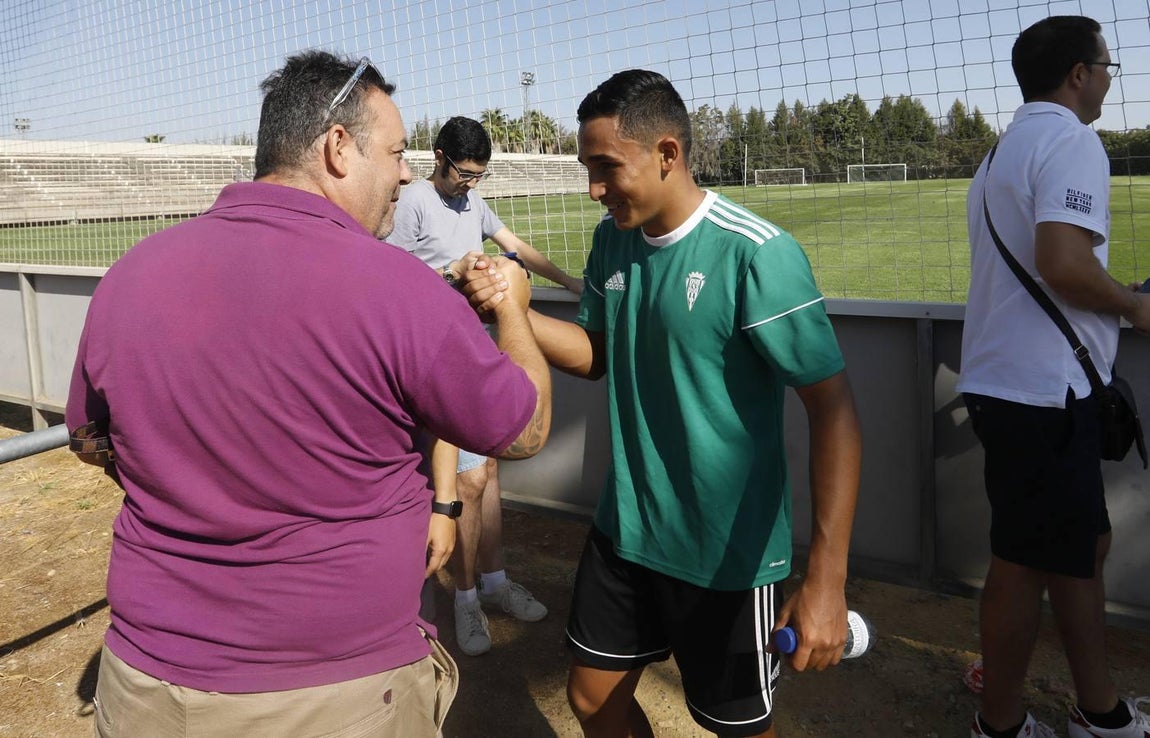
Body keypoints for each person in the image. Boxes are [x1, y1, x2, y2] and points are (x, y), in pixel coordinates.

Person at [65, 50, 551, 738]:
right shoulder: (398, 288)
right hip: (335, 692)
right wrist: (515, 310)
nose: (406, 172)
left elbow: (90, 440)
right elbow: (524, 430)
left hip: (147, 688)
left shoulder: (131, 275)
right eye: (396, 151)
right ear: (338, 148)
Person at [463, 69, 862, 738]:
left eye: (605, 168)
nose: (594, 188)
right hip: (629, 530)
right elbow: (598, 354)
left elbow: (836, 413)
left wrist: (826, 578)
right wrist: (513, 309)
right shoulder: (612, 240)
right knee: (592, 700)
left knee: (736, 729)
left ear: (667, 154)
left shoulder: (756, 253)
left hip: (726, 557)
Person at [957, 16, 1150, 738]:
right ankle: (1000, 725)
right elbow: (1063, 264)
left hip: (1015, 385)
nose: (1107, 79)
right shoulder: (1072, 140)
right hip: (1045, 395)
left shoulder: (1000, 151)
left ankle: (1098, 708)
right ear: (1078, 73)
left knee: (1080, 544)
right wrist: (1133, 306)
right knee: (1019, 564)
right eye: (1107, 67)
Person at [390, 115, 580, 656]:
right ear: (439, 157)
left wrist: (568, 281)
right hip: (435, 362)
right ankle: (466, 596)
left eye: (479, 176)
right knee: (467, 485)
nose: (471, 185)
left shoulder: (472, 203)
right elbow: (390, 277)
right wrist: (453, 271)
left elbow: (513, 245)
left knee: (490, 473)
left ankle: (494, 583)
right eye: (464, 174)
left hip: (476, 351)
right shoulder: (415, 203)